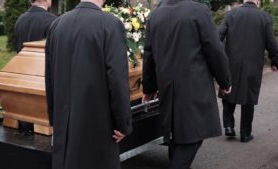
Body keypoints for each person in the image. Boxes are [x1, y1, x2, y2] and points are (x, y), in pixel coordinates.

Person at [142, 0, 232, 168]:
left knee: (177, 138)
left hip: (167, 88)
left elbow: (149, 56)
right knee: (191, 140)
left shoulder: (155, 16)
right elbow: (214, 49)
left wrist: (148, 88)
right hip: (194, 88)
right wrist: (225, 81)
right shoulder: (198, 11)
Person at [45, 0, 132, 168]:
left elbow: (49, 77)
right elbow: (117, 79)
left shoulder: (57, 24)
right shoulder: (110, 24)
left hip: (65, 123)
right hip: (98, 125)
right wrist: (123, 124)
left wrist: (55, 118)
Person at [219, 0, 278, 143]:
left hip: (231, 62)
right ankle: (245, 134)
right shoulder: (265, 17)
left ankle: (228, 127)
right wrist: (275, 61)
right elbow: (271, 42)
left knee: (228, 91)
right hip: (253, 64)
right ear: (257, 2)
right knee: (248, 98)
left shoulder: (231, 14)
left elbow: (217, 35)